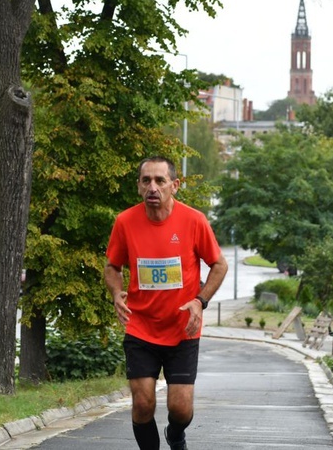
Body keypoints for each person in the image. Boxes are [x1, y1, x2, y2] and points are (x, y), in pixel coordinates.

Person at [104, 156, 228, 450]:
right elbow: (112, 266)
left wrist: (200, 301)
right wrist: (116, 292)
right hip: (141, 328)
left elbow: (219, 265)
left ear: (174, 186)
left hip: (182, 328)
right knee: (143, 404)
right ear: (138, 186)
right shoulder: (125, 222)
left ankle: (175, 435)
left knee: (181, 409)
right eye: (146, 180)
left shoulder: (194, 220)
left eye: (160, 181)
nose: (153, 187)